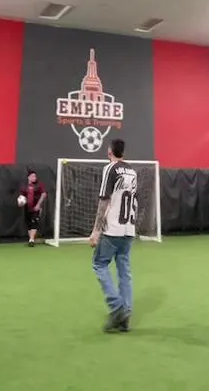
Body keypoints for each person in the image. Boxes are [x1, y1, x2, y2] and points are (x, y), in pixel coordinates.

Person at [89, 139, 137, 333]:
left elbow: (104, 200)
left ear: (109, 151)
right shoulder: (132, 171)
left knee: (99, 264)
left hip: (113, 229)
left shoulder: (110, 169)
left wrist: (96, 230)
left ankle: (116, 308)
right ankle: (125, 315)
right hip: (129, 229)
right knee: (124, 271)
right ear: (123, 152)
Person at [19, 170, 48, 246]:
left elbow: (44, 194)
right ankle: (31, 239)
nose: (34, 178)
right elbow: (21, 197)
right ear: (28, 177)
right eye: (32, 176)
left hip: (36, 208)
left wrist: (38, 205)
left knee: (34, 223)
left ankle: (31, 240)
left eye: (35, 176)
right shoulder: (25, 187)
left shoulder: (39, 185)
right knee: (29, 224)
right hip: (27, 208)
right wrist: (20, 203)